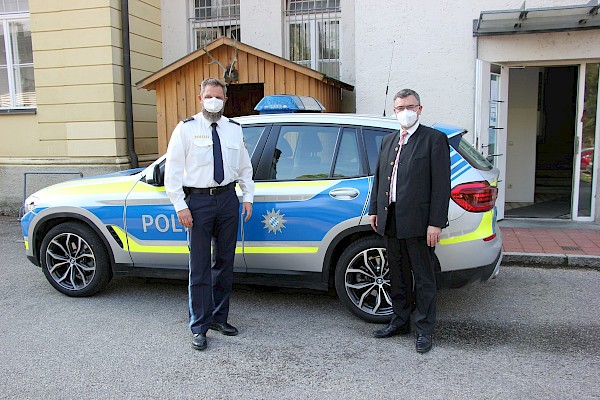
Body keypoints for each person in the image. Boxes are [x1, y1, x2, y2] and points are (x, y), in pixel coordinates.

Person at [165, 77, 254, 351]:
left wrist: (247, 197)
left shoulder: (233, 129)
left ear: (225, 100)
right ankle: (199, 327)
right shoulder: (185, 129)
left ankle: (219, 318)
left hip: (228, 200)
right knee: (200, 267)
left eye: (218, 96)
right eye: (209, 96)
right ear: (200, 98)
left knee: (225, 264)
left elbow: (244, 167)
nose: (213, 101)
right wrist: (181, 205)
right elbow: (173, 172)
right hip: (198, 203)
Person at [369, 88, 450, 353]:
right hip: (391, 219)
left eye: (410, 107)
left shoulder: (434, 140)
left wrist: (436, 223)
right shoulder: (388, 140)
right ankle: (400, 320)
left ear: (420, 109)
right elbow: (379, 179)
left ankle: (424, 330)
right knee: (397, 274)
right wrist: (375, 210)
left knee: (424, 278)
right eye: (400, 108)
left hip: (419, 223)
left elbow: (441, 186)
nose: (405, 112)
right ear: (394, 111)